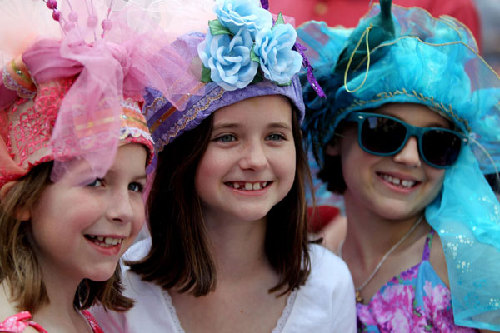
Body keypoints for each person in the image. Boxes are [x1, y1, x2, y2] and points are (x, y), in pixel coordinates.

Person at [92, 0, 357, 332]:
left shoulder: (329, 282)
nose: (256, 161)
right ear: (182, 153)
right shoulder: (119, 286)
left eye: (275, 136)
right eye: (227, 138)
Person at [298, 0, 500, 331]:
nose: (409, 157)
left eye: (437, 143)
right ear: (334, 137)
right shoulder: (303, 266)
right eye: (384, 131)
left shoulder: (474, 265)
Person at [0, 0, 169, 331]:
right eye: (96, 182)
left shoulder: (85, 321)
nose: (125, 211)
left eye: (135, 186)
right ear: (21, 198)